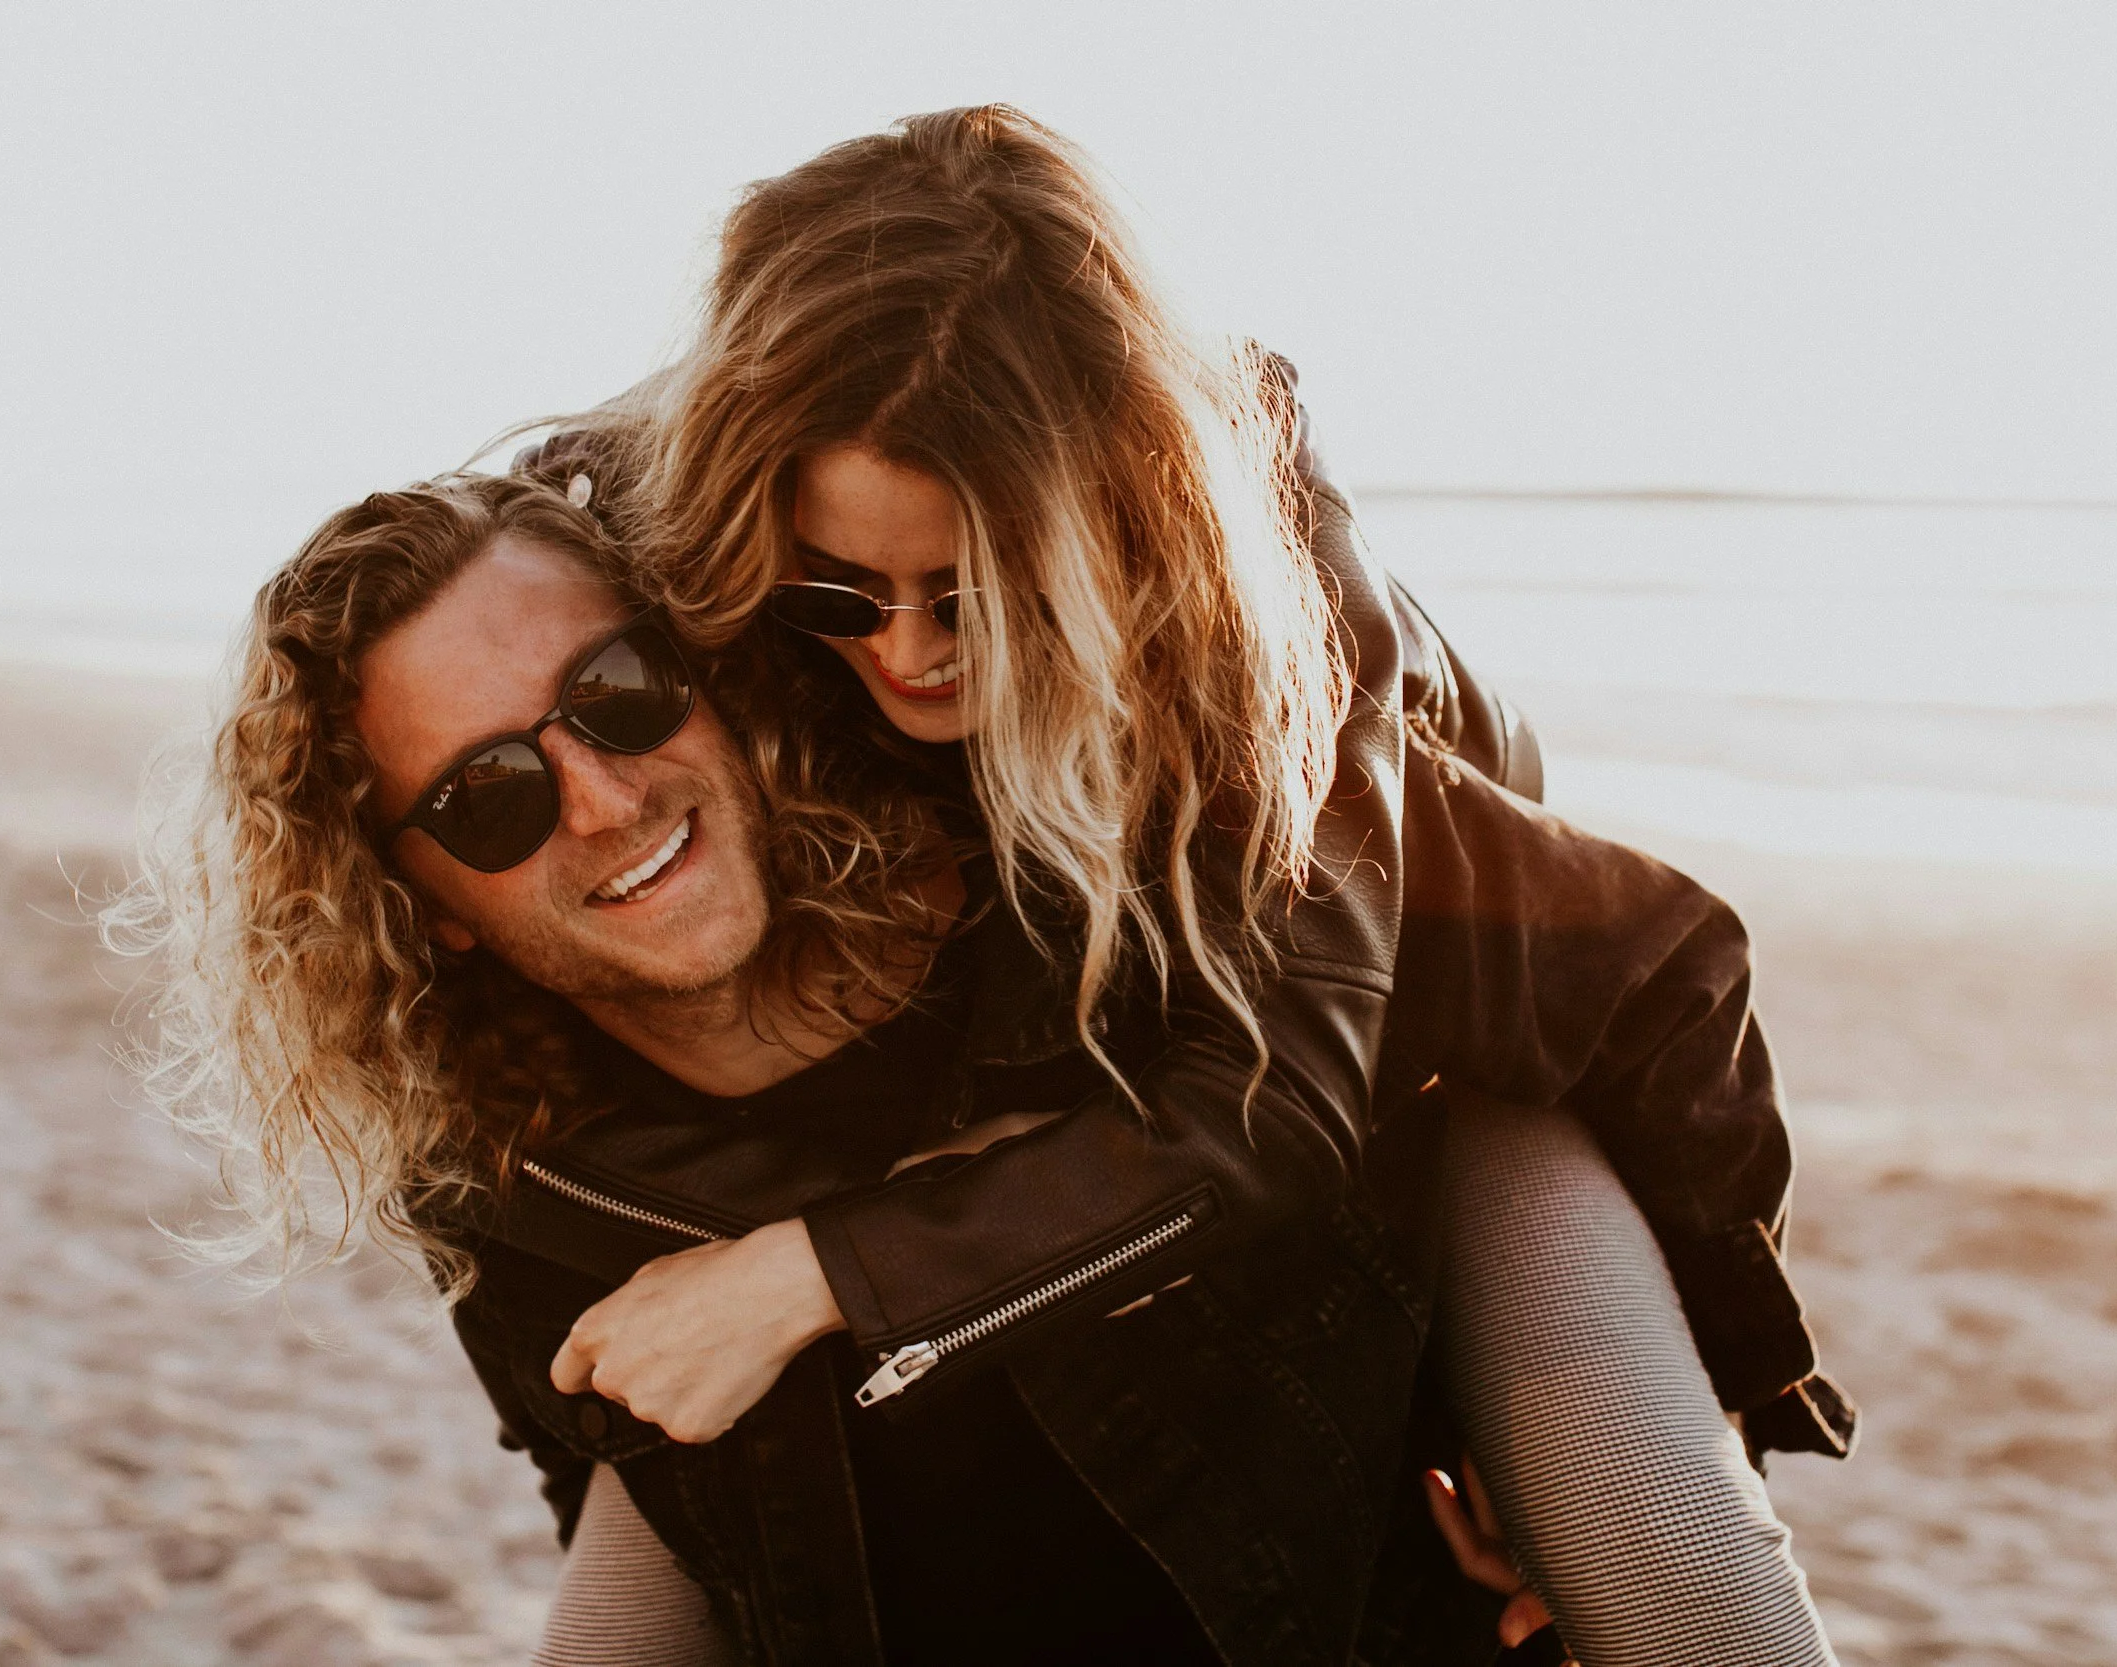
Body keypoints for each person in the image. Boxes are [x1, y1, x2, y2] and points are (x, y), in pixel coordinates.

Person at [509, 107, 1847, 1663]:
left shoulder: (1266, 575)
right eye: (840, 593)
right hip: (1065, 1052)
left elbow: (1284, 1093)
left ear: (1110, 519)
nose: (907, 653)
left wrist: (813, 1270)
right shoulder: (676, 525)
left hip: (1429, 1054)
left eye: (975, 594)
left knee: (1684, 1580)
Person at [116, 454, 1836, 1664]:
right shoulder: (520, 1188)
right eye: (489, 794)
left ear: (709, 671)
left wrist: (1617, 1448)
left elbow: (1607, 959)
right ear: (425, 906)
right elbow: (650, 1521)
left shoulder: (1082, 861)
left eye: (620, 692)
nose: (608, 797)